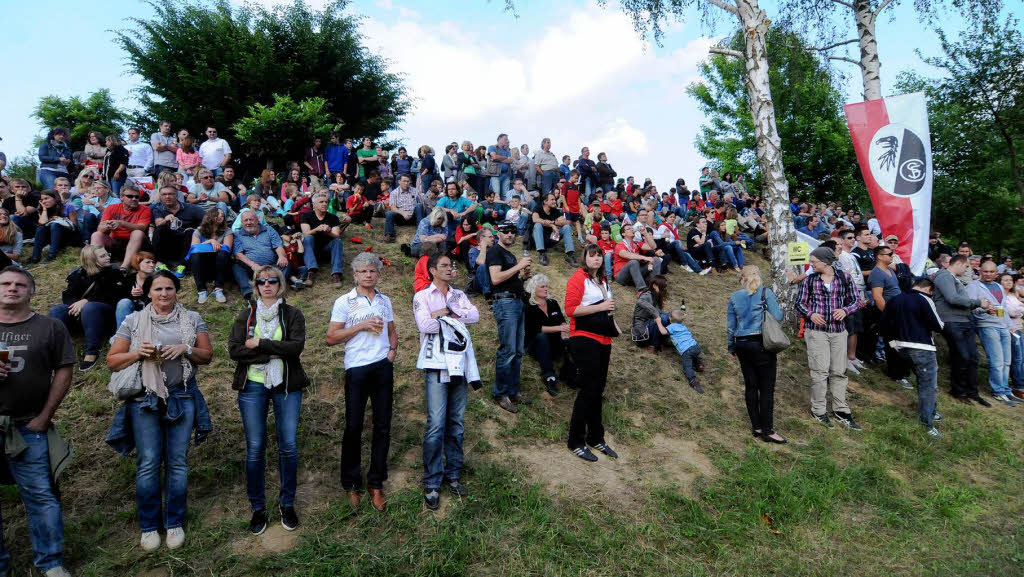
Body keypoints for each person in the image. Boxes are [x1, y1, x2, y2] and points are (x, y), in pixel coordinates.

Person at [105, 270, 213, 551]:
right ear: (148, 292)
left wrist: (185, 348)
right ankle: (150, 526)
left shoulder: (192, 318)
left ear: (176, 291)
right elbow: (113, 360)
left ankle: (174, 522)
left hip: (183, 395)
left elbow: (208, 356)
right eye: (158, 289)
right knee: (149, 462)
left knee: (177, 462)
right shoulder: (132, 320)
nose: (164, 294)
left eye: (169, 288)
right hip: (144, 399)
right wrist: (137, 353)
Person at [0, 266, 76, 577]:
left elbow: (64, 369)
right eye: (5, 283)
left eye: (20, 284)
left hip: (28, 424)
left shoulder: (50, 327)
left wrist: (45, 417)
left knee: (41, 496)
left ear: (32, 291)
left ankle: (51, 563)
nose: (12, 288)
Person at [227, 266, 308, 535]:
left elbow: (295, 348)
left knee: (288, 446)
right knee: (255, 448)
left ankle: (287, 504)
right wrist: (272, 353)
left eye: (273, 280)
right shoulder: (245, 315)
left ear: (280, 284)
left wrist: (259, 344)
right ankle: (258, 508)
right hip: (253, 386)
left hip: (286, 385)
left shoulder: (293, 313)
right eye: (261, 281)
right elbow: (235, 350)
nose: (267, 285)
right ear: (256, 285)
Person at [326, 253, 397, 513]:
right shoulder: (344, 301)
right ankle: (352, 483)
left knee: (382, 426)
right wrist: (361, 326)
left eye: (372, 271)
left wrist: (392, 352)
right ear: (355, 275)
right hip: (356, 368)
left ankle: (376, 483)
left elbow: (391, 330)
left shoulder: (384, 300)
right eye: (363, 271)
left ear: (378, 274)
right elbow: (331, 337)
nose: (368, 275)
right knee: (354, 426)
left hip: (382, 367)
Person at [413, 253, 480, 510]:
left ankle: (453, 474)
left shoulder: (459, 295)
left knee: (456, 423)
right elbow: (425, 325)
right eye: (444, 266)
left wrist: (447, 312)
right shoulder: (422, 296)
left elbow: (474, 316)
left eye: (451, 265)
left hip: (459, 364)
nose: (450, 269)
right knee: (436, 424)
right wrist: (447, 317)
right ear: (432, 270)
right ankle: (432, 480)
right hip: (435, 363)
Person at [795, 247, 862, 430]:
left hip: (839, 331)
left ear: (825, 262)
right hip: (816, 331)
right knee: (819, 371)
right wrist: (811, 314)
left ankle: (841, 409)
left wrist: (845, 310)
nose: (812, 264)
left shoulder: (844, 278)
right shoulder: (810, 280)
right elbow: (799, 302)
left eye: (814, 261)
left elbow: (856, 300)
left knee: (839, 371)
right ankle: (818, 409)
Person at [564, 243, 618, 462]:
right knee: (588, 390)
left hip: (604, 339)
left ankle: (596, 437)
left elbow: (608, 308)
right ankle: (575, 440)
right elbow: (570, 310)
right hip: (585, 339)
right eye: (592, 256)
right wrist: (601, 307)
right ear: (584, 258)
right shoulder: (578, 278)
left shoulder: (602, 280)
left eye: (599, 256)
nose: (596, 259)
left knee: (598, 390)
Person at [877, 278, 946, 436]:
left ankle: (931, 412)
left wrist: (893, 344)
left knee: (922, 381)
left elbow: (883, 324)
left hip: (900, 348)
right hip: (922, 347)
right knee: (928, 385)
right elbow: (938, 325)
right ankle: (927, 423)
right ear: (928, 289)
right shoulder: (925, 299)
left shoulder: (895, 299)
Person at [49, 245, 130, 370]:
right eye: (103, 256)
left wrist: (87, 301)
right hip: (83, 315)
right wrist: (77, 304)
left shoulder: (114, 273)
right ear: (92, 260)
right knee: (56, 311)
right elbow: (68, 295)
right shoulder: (79, 275)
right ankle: (58, 349)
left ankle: (91, 351)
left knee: (91, 307)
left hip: (106, 316)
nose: (108, 257)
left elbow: (116, 297)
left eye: (107, 254)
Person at [931, 255, 990, 406]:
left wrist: (981, 308)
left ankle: (972, 392)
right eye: (966, 266)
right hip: (951, 321)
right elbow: (952, 298)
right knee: (961, 356)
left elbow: (961, 301)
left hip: (965, 321)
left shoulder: (954, 278)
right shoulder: (943, 276)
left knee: (973, 358)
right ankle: (958, 391)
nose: (967, 270)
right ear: (958, 263)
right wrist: (978, 302)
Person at [487, 222, 532, 413]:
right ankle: (501, 393)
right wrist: (519, 266)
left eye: (514, 231)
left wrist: (523, 277)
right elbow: (495, 279)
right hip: (505, 303)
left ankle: (513, 391)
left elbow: (507, 280)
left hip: (516, 302)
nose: (511, 234)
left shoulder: (510, 255)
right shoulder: (495, 251)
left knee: (518, 351)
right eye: (507, 231)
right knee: (508, 350)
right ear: (499, 233)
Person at [968, 260, 1016, 405]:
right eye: (985, 271)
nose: (988, 274)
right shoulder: (973, 285)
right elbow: (969, 306)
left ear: (996, 273)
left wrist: (1010, 324)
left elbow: (1004, 308)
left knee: (1007, 361)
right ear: (980, 271)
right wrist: (984, 309)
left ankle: (1006, 389)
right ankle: (998, 391)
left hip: (1003, 326)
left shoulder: (999, 286)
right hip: (987, 325)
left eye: (991, 272)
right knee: (997, 361)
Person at [869, 244, 912, 387]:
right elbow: (877, 297)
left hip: (899, 313)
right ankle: (896, 374)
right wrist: (889, 315)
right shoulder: (877, 273)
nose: (892, 255)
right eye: (889, 254)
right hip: (890, 315)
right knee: (893, 344)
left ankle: (902, 371)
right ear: (879, 256)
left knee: (901, 341)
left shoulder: (889, 270)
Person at [523, 273, 570, 397]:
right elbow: (536, 329)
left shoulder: (553, 303)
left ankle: (569, 375)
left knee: (572, 342)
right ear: (534, 288)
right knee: (541, 337)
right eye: (542, 286)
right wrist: (558, 328)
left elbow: (562, 321)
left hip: (554, 343)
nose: (546, 289)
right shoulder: (529, 306)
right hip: (535, 345)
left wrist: (564, 333)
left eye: (546, 286)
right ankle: (549, 377)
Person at [92, 183, 151, 269]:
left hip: (136, 244)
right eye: (130, 196)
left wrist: (121, 223)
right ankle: (99, 266)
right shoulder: (111, 208)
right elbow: (100, 228)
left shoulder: (145, 209)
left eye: (137, 197)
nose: (134, 199)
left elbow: (142, 227)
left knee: (138, 233)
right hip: (115, 241)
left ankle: (124, 268)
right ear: (121, 197)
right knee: (96, 235)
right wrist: (108, 226)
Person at [232, 211, 289, 301]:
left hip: (271, 266)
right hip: (251, 268)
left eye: (251, 219)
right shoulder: (237, 235)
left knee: (285, 263)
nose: (248, 222)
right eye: (245, 220)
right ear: (242, 223)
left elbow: (278, 246)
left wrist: (282, 256)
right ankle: (250, 293)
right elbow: (238, 254)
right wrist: (253, 265)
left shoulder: (269, 229)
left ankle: (277, 288)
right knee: (236, 266)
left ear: (257, 219)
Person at [150, 185, 206, 267]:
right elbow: (158, 223)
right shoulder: (158, 209)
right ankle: (160, 262)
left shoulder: (191, 208)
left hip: (186, 242)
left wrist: (198, 229)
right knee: (160, 229)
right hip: (168, 243)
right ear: (160, 196)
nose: (167, 197)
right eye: (164, 194)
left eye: (170, 194)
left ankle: (182, 265)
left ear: (176, 196)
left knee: (191, 231)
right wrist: (166, 220)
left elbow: (208, 219)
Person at [300, 193, 345, 287]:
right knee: (308, 238)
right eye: (321, 202)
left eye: (326, 202)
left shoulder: (333, 217)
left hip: (327, 250)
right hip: (312, 250)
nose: (324, 204)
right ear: (314, 204)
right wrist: (317, 229)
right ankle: (311, 271)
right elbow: (305, 233)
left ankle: (336, 274)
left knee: (337, 241)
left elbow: (337, 235)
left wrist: (328, 232)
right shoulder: (306, 215)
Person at [189, 208, 233, 304]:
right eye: (218, 214)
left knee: (223, 253)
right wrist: (210, 241)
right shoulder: (199, 231)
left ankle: (218, 288)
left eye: (222, 215)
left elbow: (227, 249)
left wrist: (204, 246)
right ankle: (201, 290)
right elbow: (194, 249)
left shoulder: (227, 231)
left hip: (221, 264)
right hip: (203, 265)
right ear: (210, 216)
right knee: (195, 255)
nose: (221, 216)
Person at [662, 307, 707, 394]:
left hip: (686, 351)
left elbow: (663, 332)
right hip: (695, 346)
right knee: (693, 355)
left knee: (687, 366)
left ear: (671, 319)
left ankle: (693, 381)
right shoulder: (682, 326)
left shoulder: (671, 327)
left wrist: (658, 322)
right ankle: (699, 365)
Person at [531, 192, 576, 267]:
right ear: (545, 201)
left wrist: (554, 222)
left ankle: (570, 255)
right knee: (537, 225)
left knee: (567, 227)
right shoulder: (538, 208)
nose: (554, 201)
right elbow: (535, 219)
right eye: (552, 200)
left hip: (552, 237)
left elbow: (565, 221)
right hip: (539, 238)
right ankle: (542, 253)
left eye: (555, 199)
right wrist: (551, 225)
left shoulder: (555, 210)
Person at [29, 190, 72, 264]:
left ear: (55, 198)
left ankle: (52, 255)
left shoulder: (68, 206)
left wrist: (59, 219)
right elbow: (42, 223)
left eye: (46, 198)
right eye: (42, 200)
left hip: (66, 235)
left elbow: (74, 225)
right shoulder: (42, 209)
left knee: (55, 225)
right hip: (50, 237)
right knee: (40, 228)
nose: (44, 201)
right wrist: (44, 209)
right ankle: (35, 257)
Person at [613, 223, 661, 290]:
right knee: (633, 262)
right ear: (623, 234)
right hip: (621, 276)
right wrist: (645, 257)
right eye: (628, 229)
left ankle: (654, 285)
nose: (631, 230)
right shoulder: (619, 245)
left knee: (656, 259)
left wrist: (645, 234)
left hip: (635, 275)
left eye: (632, 228)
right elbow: (627, 255)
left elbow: (653, 247)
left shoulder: (636, 243)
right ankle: (642, 289)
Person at [116, 251, 156, 329]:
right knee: (124, 302)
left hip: (149, 312)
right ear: (138, 264)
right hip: (131, 312)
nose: (152, 265)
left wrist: (145, 294)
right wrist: (132, 295)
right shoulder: (129, 279)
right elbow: (119, 299)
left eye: (153, 262)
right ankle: (121, 336)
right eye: (148, 262)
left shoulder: (157, 279)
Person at [631, 275, 671, 350]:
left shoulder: (655, 296)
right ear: (655, 286)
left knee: (669, 317)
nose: (664, 289)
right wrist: (656, 314)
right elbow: (640, 301)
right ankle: (655, 344)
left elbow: (659, 312)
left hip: (648, 323)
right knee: (662, 318)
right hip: (641, 330)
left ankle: (664, 340)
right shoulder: (647, 295)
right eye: (663, 287)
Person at [384, 174, 422, 243]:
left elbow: (421, 204)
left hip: (413, 216)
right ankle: (389, 235)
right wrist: (403, 213)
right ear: (399, 182)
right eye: (404, 181)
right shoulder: (394, 193)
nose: (406, 183)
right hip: (401, 217)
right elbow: (393, 207)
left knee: (419, 206)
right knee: (389, 213)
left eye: (408, 181)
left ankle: (422, 232)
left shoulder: (415, 191)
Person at [487, 134, 513, 200]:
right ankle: (496, 210)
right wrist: (505, 158)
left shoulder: (507, 150)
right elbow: (494, 156)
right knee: (496, 194)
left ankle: (506, 210)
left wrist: (498, 158)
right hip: (495, 175)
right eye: (505, 139)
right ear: (499, 139)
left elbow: (510, 161)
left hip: (506, 174)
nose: (507, 141)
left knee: (505, 195)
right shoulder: (492, 147)